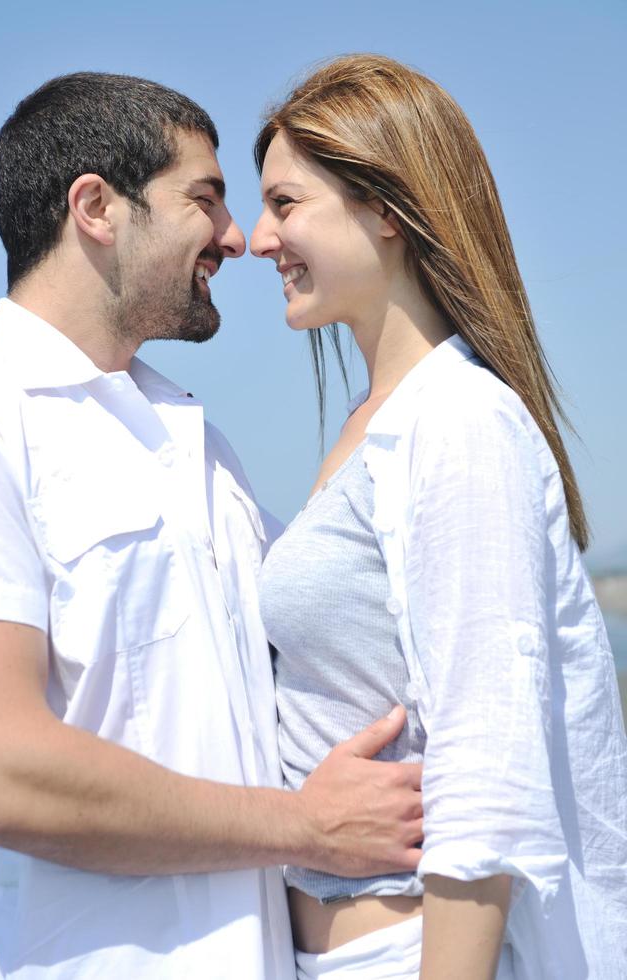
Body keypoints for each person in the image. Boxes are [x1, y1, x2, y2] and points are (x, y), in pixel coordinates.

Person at [0, 72, 425, 980]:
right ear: (96, 206)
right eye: (205, 199)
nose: (238, 239)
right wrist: (310, 827)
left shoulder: (202, 448)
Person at [251, 54, 627, 979]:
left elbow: (487, 764)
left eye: (286, 203)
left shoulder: (459, 421)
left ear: (385, 209)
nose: (259, 239)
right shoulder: (375, 428)